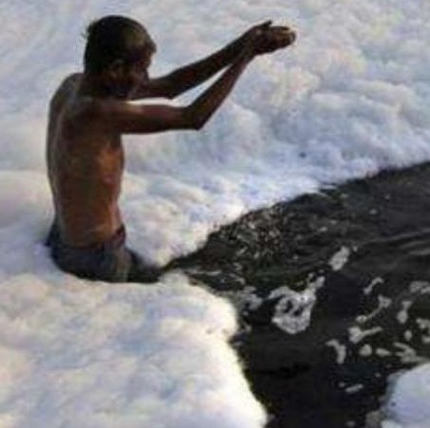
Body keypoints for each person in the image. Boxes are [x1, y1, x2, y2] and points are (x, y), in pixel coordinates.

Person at [45, 15, 295, 283]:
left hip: (64, 237)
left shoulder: (73, 86)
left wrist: (240, 46)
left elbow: (170, 86)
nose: (145, 78)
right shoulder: (96, 112)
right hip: (94, 257)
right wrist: (246, 58)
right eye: (141, 69)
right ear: (116, 69)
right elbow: (193, 117)